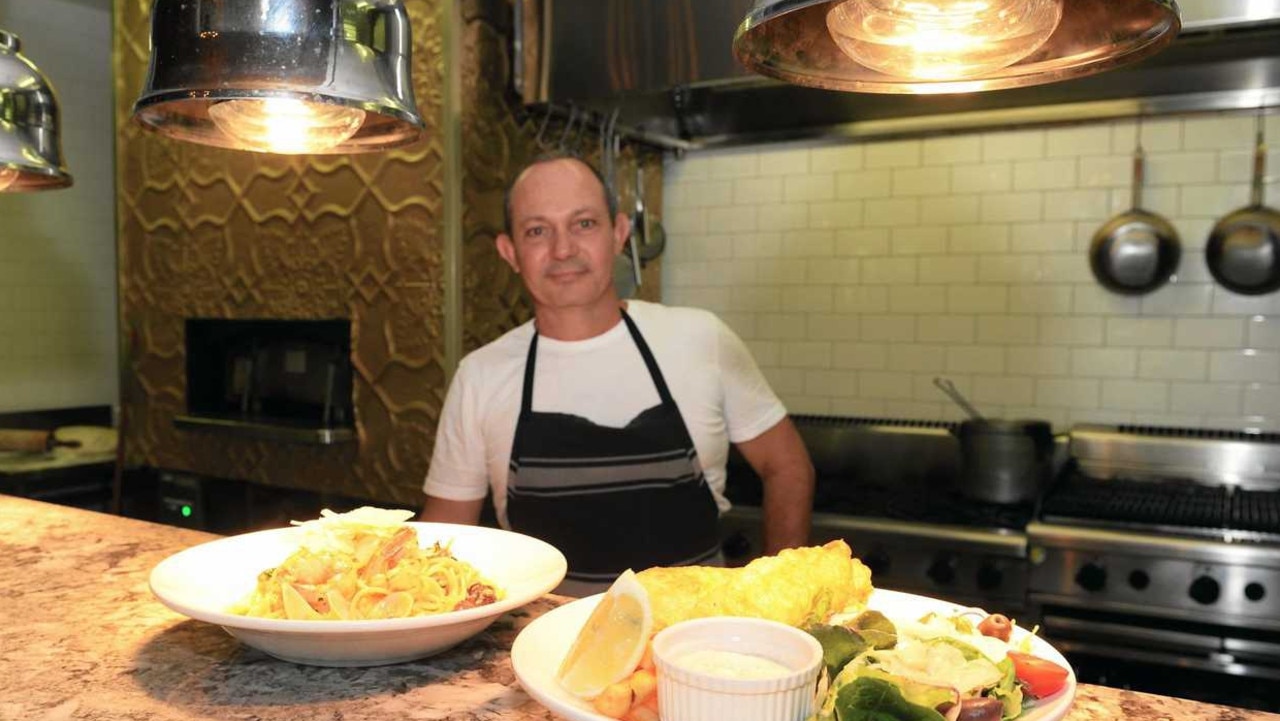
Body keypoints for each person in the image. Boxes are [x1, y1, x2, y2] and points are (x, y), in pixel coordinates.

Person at [419, 151, 814, 595]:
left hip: (697, 646)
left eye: (583, 223)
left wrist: (782, 595)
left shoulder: (700, 339)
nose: (563, 249)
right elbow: (443, 542)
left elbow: (787, 464)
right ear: (510, 252)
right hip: (543, 649)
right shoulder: (480, 376)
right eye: (537, 231)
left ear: (619, 234)